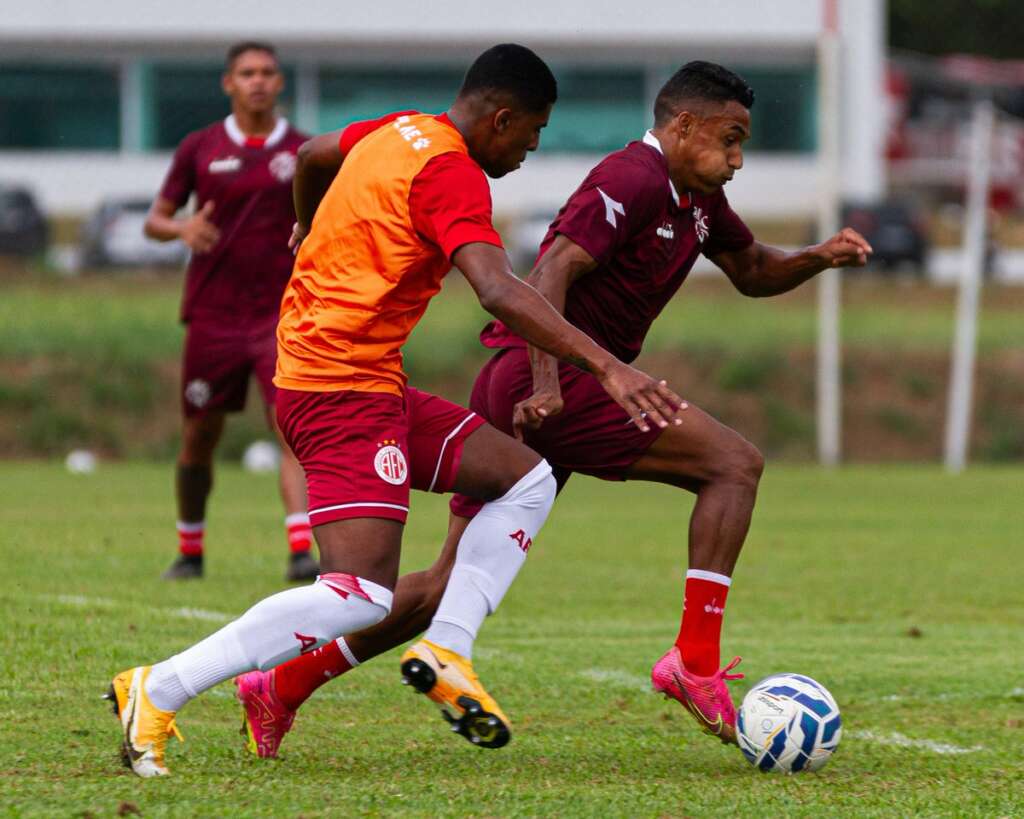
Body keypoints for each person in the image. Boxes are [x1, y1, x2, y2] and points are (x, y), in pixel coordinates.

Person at [233, 60, 873, 758]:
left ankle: (281, 687)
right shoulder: (631, 177)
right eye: (730, 138)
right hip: (551, 386)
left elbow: (752, 271)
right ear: (683, 126)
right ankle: (693, 662)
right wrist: (549, 382)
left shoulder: (698, 200)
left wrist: (818, 256)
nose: (736, 159)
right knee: (733, 465)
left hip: (560, 386)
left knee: (443, 585)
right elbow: (549, 270)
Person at [107, 43, 683, 778]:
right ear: (501, 118)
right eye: (531, 134)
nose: (531, 150)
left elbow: (313, 155)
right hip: (337, 389)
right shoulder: (452, 173)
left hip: (361, 378)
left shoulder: (399, 128)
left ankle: (447, 646)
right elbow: (500, 290)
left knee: (528, 477)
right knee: (358, 595)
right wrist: (606, 365)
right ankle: (157, 687)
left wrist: (305, 225)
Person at [144, 41, 317, 583]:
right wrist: (181, 228)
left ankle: (300, 550)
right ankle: (190, 550)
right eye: (247, 73)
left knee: (289, 428)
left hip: (281, 315)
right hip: (213, 317)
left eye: (267, 72)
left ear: (280, 82)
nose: (258, 81)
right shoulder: (200, 147)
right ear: (229, 83)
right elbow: (156, 219)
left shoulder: (308, 151)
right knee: (200, 436)